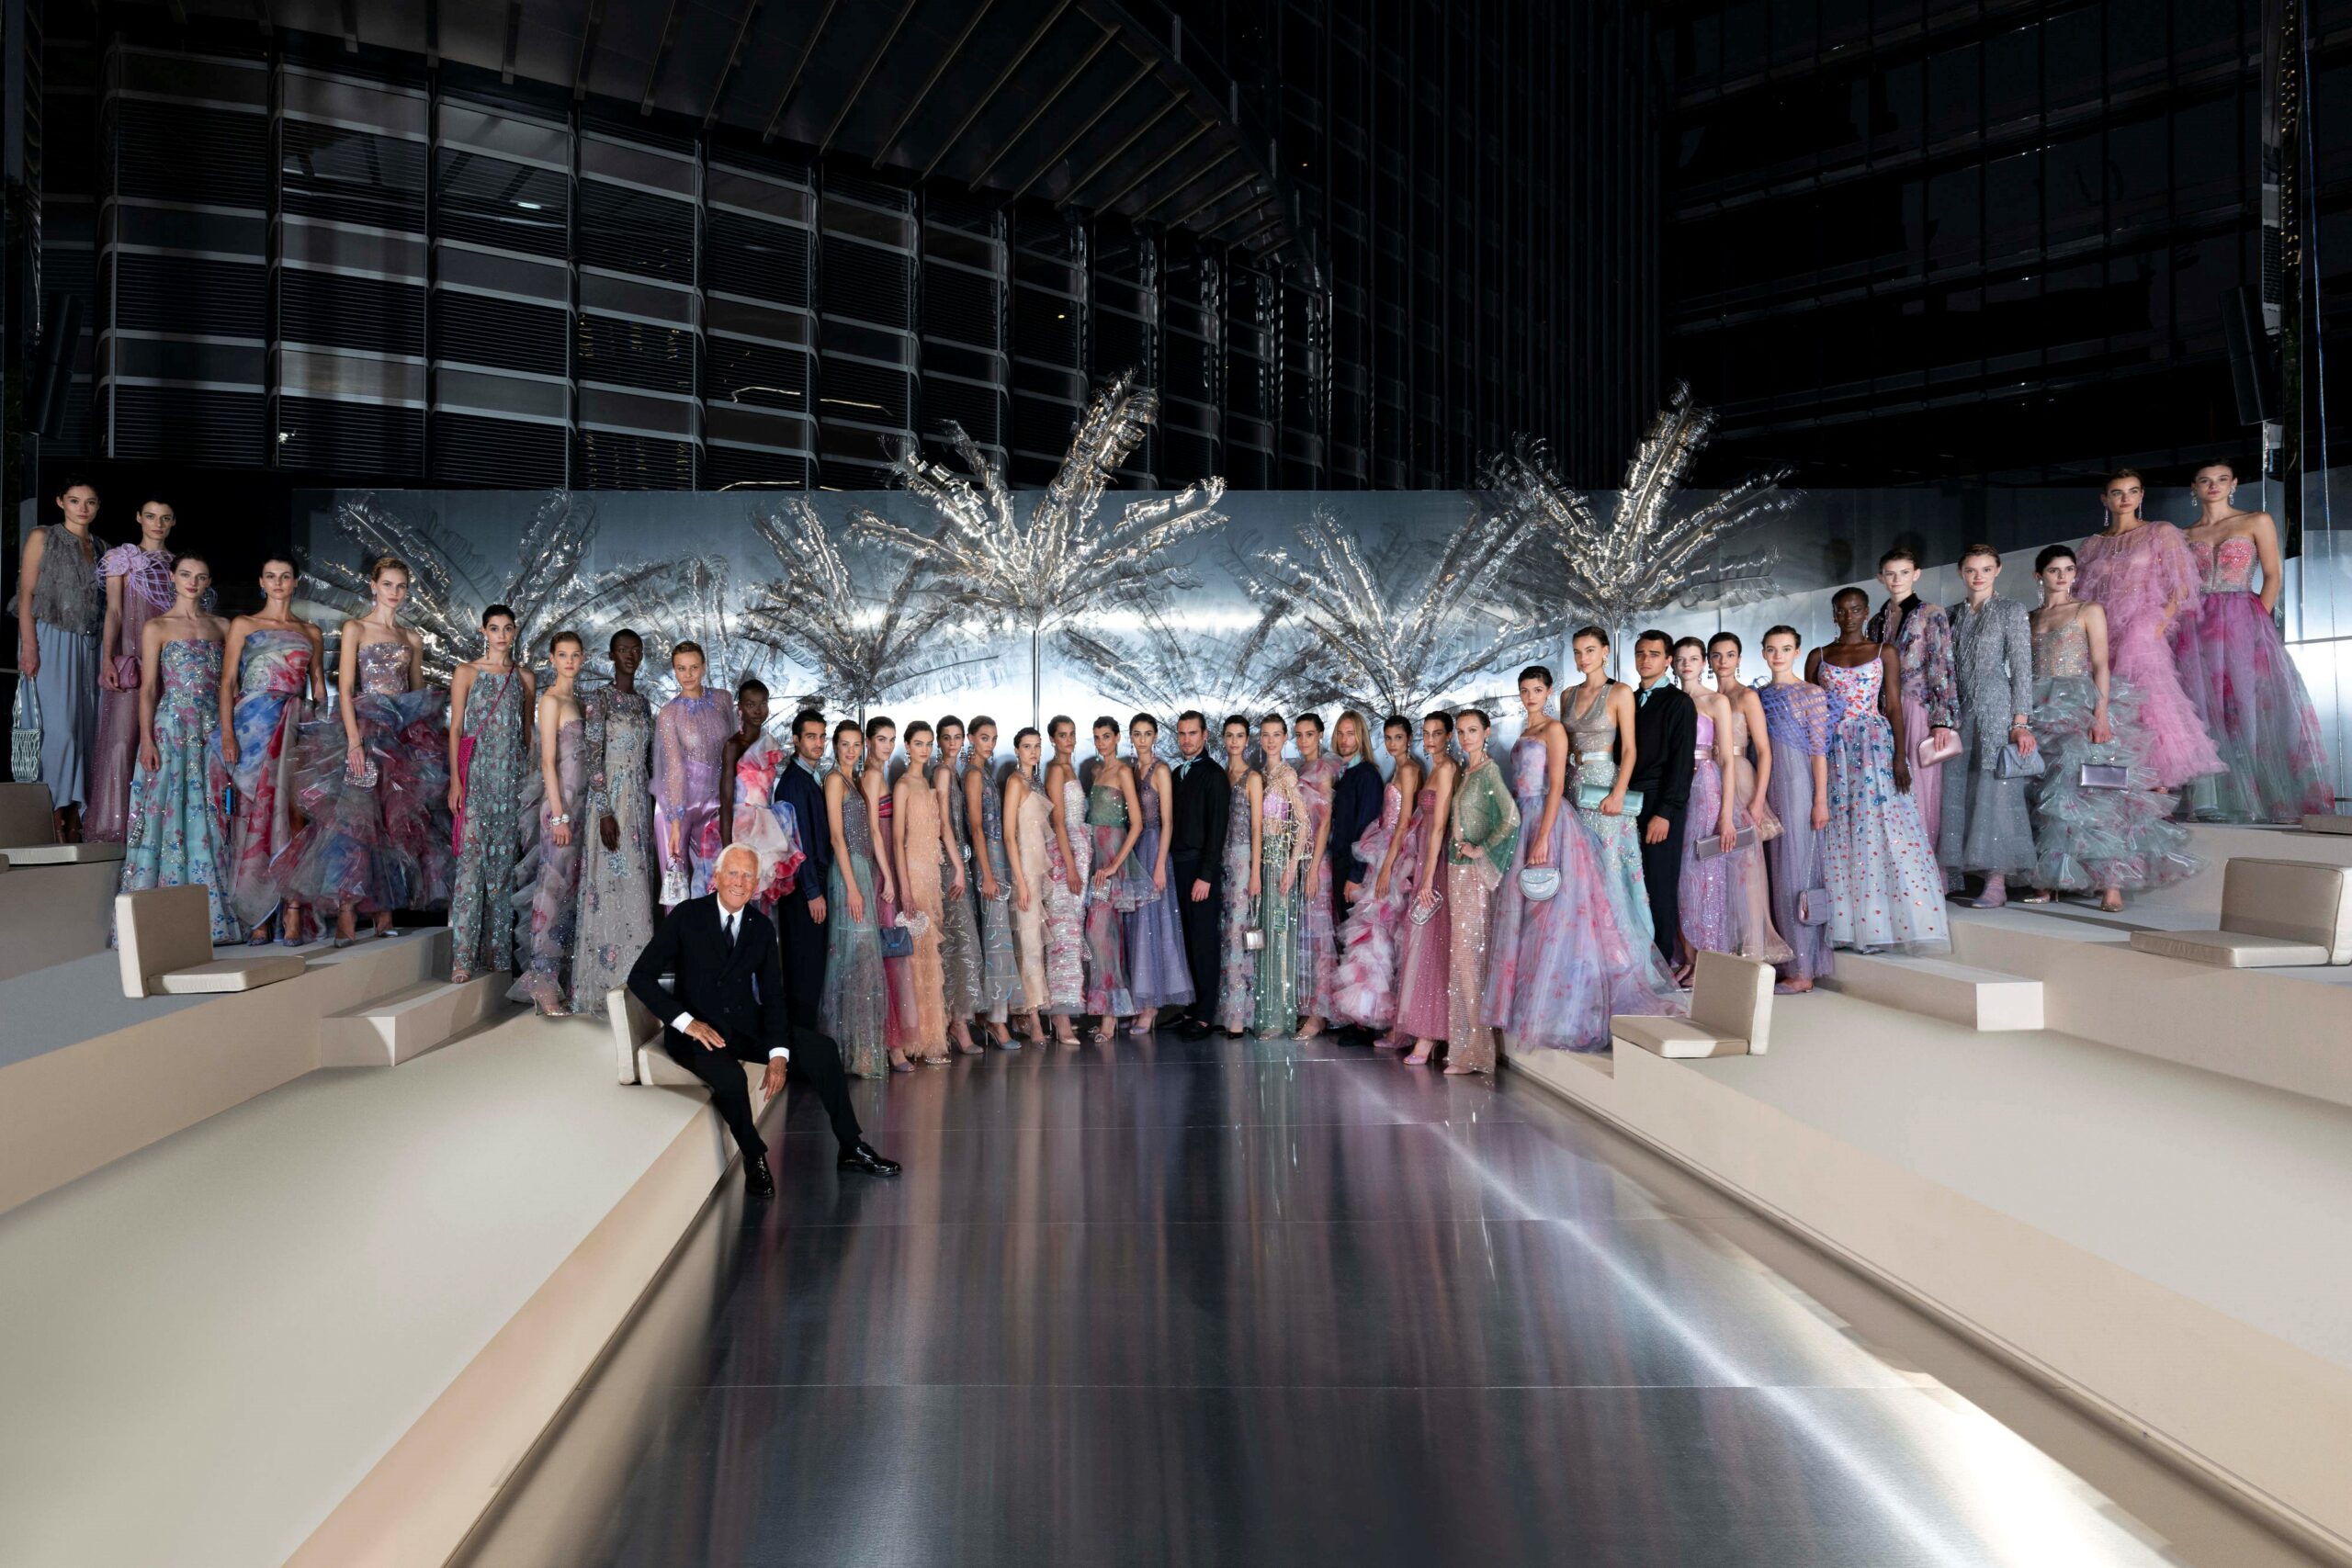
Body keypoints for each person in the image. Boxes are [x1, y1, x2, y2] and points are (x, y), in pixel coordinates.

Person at [627, 843, 899, 1195]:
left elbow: (773, 997)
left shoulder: (760, 928)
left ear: (756, 885)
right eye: (733, 873)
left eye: (747, 876)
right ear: (716, 877)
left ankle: (851, 1146)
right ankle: (754, 1156)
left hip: (744, 1025)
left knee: (822, 1050)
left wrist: (778, 1054)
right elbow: (640, 978)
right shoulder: (686, 916)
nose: (739, 882)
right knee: (730, 1078)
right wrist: (685, 1022)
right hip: (696, 1034)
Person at [1486, 665, 1683, 1052]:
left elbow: (1557, 785)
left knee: (1556, 911)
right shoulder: (1525, 731)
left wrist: (1543, 837)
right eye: (1524, 690)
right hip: (1522, 818)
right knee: (1530, 912)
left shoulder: (1554, 730)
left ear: (1549, 692)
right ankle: (1533, 999)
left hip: (1547, 819)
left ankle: (1564, 1003)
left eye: (1537, 689)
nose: (1530, 696)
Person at [2026, 547, 2201, 911]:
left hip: (2080, 702)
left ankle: (2112, 885)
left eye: (2069, 569)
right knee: (2047, 795)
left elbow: (2101, 664)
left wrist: (2101, 714)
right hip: (2040, 706)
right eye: (2055, 570)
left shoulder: (2088, 610)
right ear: (2038, 575)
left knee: (2097, 793)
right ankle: (2050, 880)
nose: (2063, 576)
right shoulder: (2030, 618)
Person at [288, 555, 451, 944]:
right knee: (356, 822)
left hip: (400, 738)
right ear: (373, 586)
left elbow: (416, 696)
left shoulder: (411, 638)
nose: (395, 592)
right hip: (364, 730)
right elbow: (345, 689)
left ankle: (384, 911)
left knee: (394, 823)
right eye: (388, 585)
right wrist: (354, 743)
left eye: (401, 586)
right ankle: (347, 911)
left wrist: (420, 745)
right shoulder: (356, 628)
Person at [2174, 460, 2334, 821]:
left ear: (2233, 484)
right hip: (2196, 624)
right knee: (2201, 706)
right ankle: (2209, 800)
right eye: (2205, 481)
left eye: (2221, 479)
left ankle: (2255, 800)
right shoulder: (2182, 535)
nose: (2213, 486)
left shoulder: (2256, 521)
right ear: (2194, 488)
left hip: (2243, 619)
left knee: (2248, 705)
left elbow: (2273, 575)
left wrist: (2255, 620)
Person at [1808, 587, 1949, 953]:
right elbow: (1810, 713)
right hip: (1833, 749)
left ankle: (1882, 923)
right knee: (1841, 827)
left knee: (1878, 826)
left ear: (1866, 611)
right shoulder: (1818, 656)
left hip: (1874, 745)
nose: (1849, 616)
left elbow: (1895, 707)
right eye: (1842, 610)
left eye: (1855, 609)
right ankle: (1846, 923)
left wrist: (1900, 758)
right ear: (1834, 614)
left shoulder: (1884, 651)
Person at [113, 554, 239, 943]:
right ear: (172, 577)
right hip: (171, 728)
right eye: (185, 574)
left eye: (200, 576)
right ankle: (159, 920)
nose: (192, 582)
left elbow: (230, 686)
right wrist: (146, 738)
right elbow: (149, 688)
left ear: (208, 582)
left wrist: (230, 732)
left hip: (212, 728)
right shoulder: (156, 627)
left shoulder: (222, 626)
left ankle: (212, 917)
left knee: (212, 814)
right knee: (164, 813)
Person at [2075, 469, 2223, 792]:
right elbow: (2081, 593)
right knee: (2106, 700)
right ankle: (2120, 776)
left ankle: (2158, 778)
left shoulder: (2160, 532)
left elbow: (2182, 585)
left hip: (2141, 629)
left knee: (2148, 699)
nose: (2125, 498)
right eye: (2117, 492)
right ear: (2105, 499)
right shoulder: (2093, 544)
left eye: (2132, 491)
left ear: (2141, 496)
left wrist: (2157, 627)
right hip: (2102, 630)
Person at [215, 558, 325, 944]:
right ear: (261, 582)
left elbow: (318, 688)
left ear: (295, 582)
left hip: (295, 728)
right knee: (253, 820)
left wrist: (322, 736)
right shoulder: (243, 624)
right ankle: (256, 914)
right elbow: (228, 682)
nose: (278, 583)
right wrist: (228, 734)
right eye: (271, 577)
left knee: (294, 819)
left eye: (285, 577)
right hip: (253, 726)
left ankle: (292, 911)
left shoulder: (310, 631)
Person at [1672, 638, 1791, 972]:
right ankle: (1702, 949)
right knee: (1705, 865)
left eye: (1730, 655)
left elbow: (1762, 751)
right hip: (1698, 783)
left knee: (1743, 868)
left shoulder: (1739, 698)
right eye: (1716, 655)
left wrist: (1757, 801)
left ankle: (1744, 950)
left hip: (1735, 777)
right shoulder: (1694, 699)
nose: (1723, 661)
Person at [1939, 545, 2038, 908]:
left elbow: (2022, 667)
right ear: (1961, 573)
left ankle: (1996, 882)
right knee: (1955, 790)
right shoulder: (1950, 615)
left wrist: (2020, 722)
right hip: (1957, 711)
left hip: (1997, 708)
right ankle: (1951, 877)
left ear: (1997, 570)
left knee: (1995, 792)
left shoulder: (2011, 610)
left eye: (1985, 569)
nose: (1978, 576)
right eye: (1970, 570)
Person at [571, 630, 659, 1017]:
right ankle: (600, 985)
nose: (630, 655)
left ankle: (634, 987)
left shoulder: (643, 703)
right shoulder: (600, 699)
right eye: (623, 649)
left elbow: (649, 760)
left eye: (635, 650)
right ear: (611, 655)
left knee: (636, 887)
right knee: (607, 884)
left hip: (638, 800)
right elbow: (593, 758)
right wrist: (605, 810)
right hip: (610, 802)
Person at [15, 476, 107, 840]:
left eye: (90, 502)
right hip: (49, 638)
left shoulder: (102, 547)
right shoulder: (43, 537)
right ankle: (52, 810)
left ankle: (75, 814)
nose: (83, 508)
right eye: (74, 500)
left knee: (86, 729)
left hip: (90, 644)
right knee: (60, 730)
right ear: (60, 502)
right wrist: (29, 646)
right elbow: (26, 593)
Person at [447, 604, 535, 983]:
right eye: (494, 628)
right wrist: (456, 781)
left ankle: (498, 955)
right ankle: (462, 959)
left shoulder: (524, 677)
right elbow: (456, 730)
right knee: (470, 868)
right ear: (483, 631)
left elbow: (526, 736)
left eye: (507, 628)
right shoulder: (466, 672)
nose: (501, 635)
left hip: (511, 783)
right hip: (476, 779)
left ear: (514, 632)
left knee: (503, 869)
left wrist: (529, 786)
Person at [89, 496, 183, 841]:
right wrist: (107, 658)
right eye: (151, 516)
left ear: (173, 522)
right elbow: (114, 612)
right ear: (139, 518)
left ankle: (153, 827)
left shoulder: (178, 565)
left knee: (161, 741)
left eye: (165, 517)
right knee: (121, 740)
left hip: (168, 667)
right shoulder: (122, 558)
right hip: (131, 662)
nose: (158, 524)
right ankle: (114, 826)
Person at [1865, 547, 1960, 861]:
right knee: (1888, 788)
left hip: (1919, 708)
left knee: (1919, 788)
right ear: (1880, 577)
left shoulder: (1932, 612)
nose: (1897, 579)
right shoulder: (1876, 622)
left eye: (1904, 573)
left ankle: (1925, 871)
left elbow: (1942, 666)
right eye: (1890, 574)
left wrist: (1941, 720)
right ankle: (1897, 870)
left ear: (1916, 574)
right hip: (1883, 712)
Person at [1565, 628, 1656, 953]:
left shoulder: (1620, 692)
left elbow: (1629, 749)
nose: (1583, 658)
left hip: (1605, 786)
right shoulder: (1567, 694)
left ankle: (1621, 955)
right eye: (1577, 652)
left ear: (1605, 651)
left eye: (1589, 650)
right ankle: (1587, 953)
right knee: (1579, 869)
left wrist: (1618, 793)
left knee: (1610, 867)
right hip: (1572, 787)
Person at [1331, 716, 1423, 1034]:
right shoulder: (1392, 771)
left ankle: (1371, 1017)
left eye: (1398, 737)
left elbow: (1404, 823)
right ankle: (1365, 1014)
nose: (1393, 743)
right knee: (1371, 934)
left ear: (1409, 739)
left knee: (1377, 933)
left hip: (1390, 856)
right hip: (1381, 852)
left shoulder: (1404, 771)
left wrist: (1384, 869)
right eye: (1388, 738)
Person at [510, 632, 586, 1014]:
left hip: (581, 806)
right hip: (559, 808)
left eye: (575, 655)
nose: (569, 661)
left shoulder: (579, 701)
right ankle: (542, 985)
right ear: (552, 659)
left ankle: (562, 981)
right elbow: (546, 761)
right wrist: (558, 814)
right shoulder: (551, 699)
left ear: (583, 658)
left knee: (571, 896)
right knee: (551, 894)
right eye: (562, 655)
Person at [1755, 627, 1835, 991]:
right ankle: (1784, 960)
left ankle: (1803, 969)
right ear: (1763, 653)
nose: (1778, 656)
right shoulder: (1760, 695)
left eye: (1786, 649)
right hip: (1767, 788)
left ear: (1797, 652)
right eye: (1772, 649)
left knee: (1797, 872)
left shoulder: (1811, 694)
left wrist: (1820, 800)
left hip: (1798, 788)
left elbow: (1819, 752)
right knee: (1772, 873)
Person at [1446, 709, 1520, 1076]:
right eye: (1461, 732)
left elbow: (1511, 818)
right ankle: (1467, 1049)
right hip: (1456, 873)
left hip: (1473, 877)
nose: (1466, 738)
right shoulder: (1468, 772)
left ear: (1487, 732)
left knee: (1470, 959)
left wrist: (1481, 850)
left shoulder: (1489, 772)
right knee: (1462, 961)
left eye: (1473, 730)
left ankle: (1478, 1050)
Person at [820, 720, 892, 1076]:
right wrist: (851, 886)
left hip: (863, 870)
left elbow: (871, 833)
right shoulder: (835, 780)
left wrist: (885, 877)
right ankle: (847, 1050)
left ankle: (861, 1049)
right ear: (835, 746)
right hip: (847, 873)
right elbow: (836, 837)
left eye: (855, 744)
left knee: (862, 962)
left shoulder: (856, 781)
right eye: (844, 744)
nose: (850, 750)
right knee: (851, 960)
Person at [1627, 629, 1697, 964]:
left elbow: (1682, 764)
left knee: (1659, 883)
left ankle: (1663, 962)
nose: (1646, 660)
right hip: (1628, 802)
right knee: (1632, 883)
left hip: (1660, 802)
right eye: (1640, 653)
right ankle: (1637, 962)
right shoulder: (1627, 699)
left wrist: (1666, 812)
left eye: (1654, 654)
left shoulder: (1678, 703)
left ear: (1668, 660)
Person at [1122, 713, 1193, 1034]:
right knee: (1137, 925)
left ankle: (1151, 1008)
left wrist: (1160, 864)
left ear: (1155, 737)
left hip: (1153, 848)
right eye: (1137, 734)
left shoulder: (1161, 770)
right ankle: (1140, 1001)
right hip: (1133, 849)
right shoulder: (1129, 769)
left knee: (1154, 925)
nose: (1142, 740)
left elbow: (1168, 822)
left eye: (1147, 734)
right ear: (1130, 736)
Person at [1165, 710, 1232, 1037]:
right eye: (1182, 734)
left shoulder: (1214, 775)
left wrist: (1205, 875)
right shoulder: (1176, 774)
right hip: (1176, 866)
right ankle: (1191, 1008)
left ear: (1205, 736)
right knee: (1186, 940)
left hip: (1200, 869)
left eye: (1192, 733)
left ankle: (1205, 1014)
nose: (1186, 739)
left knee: (1204, 940)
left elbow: (1218, 830)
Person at [1396, 713, 1458, 1066]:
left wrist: (1429, 874)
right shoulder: (1433, 769)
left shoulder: (1447, 768)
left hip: (1437, 861)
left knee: (1434, 941)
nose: (1430, 739)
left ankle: (1430, 1035)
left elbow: (1439, 827)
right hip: (1424, 857)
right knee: (1421, 941)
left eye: (1437, 733)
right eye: (1426, 733)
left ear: (1449, 737)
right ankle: (1420, 1028)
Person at [651, 641, 732, 908]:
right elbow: (674, 766)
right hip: (676, 804)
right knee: (676, 883)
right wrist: (675, 820)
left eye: (694, 667)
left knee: (715, 879)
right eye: (681, 668)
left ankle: (713, 935)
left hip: (714, 802)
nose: (688, 675)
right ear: (674, 670)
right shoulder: (668, 713)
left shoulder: (722, 699)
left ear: (704, 667)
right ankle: (678, 934)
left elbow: (733, 749)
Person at [1080, 716, 1145, 1041]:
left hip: (1112, 858)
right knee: (1097, 935)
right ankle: (1107, 1010)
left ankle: (1111, 1016)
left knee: (1103, 933)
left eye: (1106, 736)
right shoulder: (1096, 772)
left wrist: (1114, 865)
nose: (1101, 742)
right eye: (1097, 737)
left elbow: (1137, 824)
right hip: (1094, 858)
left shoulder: (1122, 772)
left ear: (1118, 738)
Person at [717, 681, 804, 917]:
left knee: (762, 900)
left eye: (763, 703)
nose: (757, 710)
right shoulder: (733, 745)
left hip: (766, 825)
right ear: (740, 708)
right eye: (750, 704)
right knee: (739, 893)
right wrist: (727, 850)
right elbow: (725, 800)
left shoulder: (769, 742)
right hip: (741, 827)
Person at [894, 720, 954, 1065]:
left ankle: (931, 1037)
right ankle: (913, 1038)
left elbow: (940, 831)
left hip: (931, 874)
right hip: (913, 876)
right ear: (907, 746)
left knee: (929, 956)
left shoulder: (929, 783)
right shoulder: (903, 785)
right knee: (914, 959)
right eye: (919, 743)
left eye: (929, 744)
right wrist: (904, 889)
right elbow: (897, 841)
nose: (925, 750)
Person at [770, 708, 833, 1028]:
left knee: (810, 966)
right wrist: (812, 892)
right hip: (803, 889)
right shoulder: (795, 783)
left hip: (811, 885)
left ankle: (804, 1038)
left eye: (822, 737)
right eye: (811, 737)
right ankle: (800, 1041)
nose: (818, 743)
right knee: (804, 969)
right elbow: (799, 842)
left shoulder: (809, 777)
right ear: (795, 740)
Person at [967, 716, 1029, 1046]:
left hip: (998, 859)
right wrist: (988, 874)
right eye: (984, 738)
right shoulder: (973, 775)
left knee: (1000, 938)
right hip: (988, 861)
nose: (990, 744)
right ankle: (996, 1021)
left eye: (993, 738)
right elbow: (976, 828)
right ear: (971, 738)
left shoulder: (985, 772)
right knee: (996, 938)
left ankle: (995, 1016)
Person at [1326, 710, 1386, 1041]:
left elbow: (1368, 828)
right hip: (1339, 864)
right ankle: (1352, 1016)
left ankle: (1363, 1023)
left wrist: (1356, 873)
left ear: (1361, 737)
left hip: (1355, 868)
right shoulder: (1342, 773)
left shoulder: (1367, 775)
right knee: (1346, 941)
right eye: (1340, 733)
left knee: (1359, 944)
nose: (1344, 739)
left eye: (1350, 733)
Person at [1252, 714, 1311, 1039]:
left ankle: (1278, 1016)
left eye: (1276, 734)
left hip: (1278, 861)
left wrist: (1291, 866)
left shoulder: (1287, 775)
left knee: (1278, 934)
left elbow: (1304, 825)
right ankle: (1261, 1011)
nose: (1271, 740)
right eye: (1265, 735)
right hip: (1259, 861)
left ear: (1285, 737)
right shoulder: (1260, 775)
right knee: (1261, 935)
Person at [931, 715, 983, 1052]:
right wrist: (959, 868)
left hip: (960, 861)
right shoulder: (942, 773)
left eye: (957, 737)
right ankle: (957, 1024)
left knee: (960, 942)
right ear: (939, 741)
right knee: (958, 944)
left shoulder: (957, 773)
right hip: (950, 865)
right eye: (946, 737)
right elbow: (944, 824)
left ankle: (957, 1021)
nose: (952, 743)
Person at [1292, 712, 1343, 1038]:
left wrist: (1313, 868)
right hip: (1299, 858)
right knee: (1305, 935)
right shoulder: (1299, 769)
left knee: (1320, 935)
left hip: (1316, 861)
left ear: (1320, 735)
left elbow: (1324, 822)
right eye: (1298, 735)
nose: (1303, 740)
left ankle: (1320, 1012)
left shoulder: (1324, 769)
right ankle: (1309, 1005)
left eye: (1309, 734)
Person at [1040, 715, 1089, 1044]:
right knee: (1063, 935)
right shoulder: (1056, 770)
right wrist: (1069, 867)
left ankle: (1067, 1010)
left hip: (1080, 852)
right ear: (1052, 739)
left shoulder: (1072, 769)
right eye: (1062, 735)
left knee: (1074, 932)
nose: (1068, 740)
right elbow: (1057, 821)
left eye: (1072, 734)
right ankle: (1060, 1018)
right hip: (1064, 855)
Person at [1003, 727, 1051, 1045]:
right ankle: (1032, 1019)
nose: (1033, 752)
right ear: (1017, 750)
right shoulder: (1014, 783)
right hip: (1023, 873)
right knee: (1029, 945)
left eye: (1037, 746)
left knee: (1034, 945)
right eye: (1027, 746)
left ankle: (1027, 1015)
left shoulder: (1036, 782)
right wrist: (1020, 882)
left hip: (1038, 871)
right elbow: (1009, 835)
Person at [1214, 716, 1261, 1037]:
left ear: (1247, 740)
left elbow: (1257, 828)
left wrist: (1255, 872)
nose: (1234, 741)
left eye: (1239, 736)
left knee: (1238, 932)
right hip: (1221, 858)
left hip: (1244, 859)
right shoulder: (1220, 775)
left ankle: (1239, 1016)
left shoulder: (1252, 777)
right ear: (1223, 739)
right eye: (1229, 735)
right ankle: (1223, 1010)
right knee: (1222, 930)